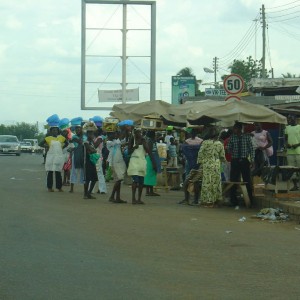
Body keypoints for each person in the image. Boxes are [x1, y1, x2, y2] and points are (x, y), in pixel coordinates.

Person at [227, 122, 255, 208]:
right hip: (235, 160)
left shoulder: (247, 137)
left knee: (247, 180)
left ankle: (249, 200)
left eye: (235, 128)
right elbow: (229, 149)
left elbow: (251, 149)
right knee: (233, 180)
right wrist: (228, 148)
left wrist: (252, 160)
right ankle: (233, 200)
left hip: (244, 160)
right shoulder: (232, 137)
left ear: (239, 129)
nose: (234, 130)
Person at [197, 126, 226, 207]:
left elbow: (200, 154)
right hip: (216, 164)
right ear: (217, 135)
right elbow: (222, 156)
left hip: (207, 164)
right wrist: (223, 161)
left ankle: (207, 201)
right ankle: (216, 200)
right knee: (216, 182)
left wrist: (200, 163)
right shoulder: (219, 144)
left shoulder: (205, 143)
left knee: (207, 182)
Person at [39, 114, 66, 192]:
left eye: (56, 130)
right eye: (53, 130)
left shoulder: (61, 138)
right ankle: (49, 187)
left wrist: (62, 147)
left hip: (59, 156)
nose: (55, 131)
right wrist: (46, 146)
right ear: (50, 131)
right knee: (50, 171)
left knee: (58, 171)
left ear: (58, 131)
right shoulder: (48, 138)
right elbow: (40, 144)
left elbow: (67, 143)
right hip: (50, 156)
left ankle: (59, 187)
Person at [127, 128, 149, 204]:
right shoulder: (132, 141)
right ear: (135, 134)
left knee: (141, 182)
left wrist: (144, 143)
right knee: (135, 181)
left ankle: (139, 199)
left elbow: (148, 150)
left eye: (140, 132)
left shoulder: (143, 140)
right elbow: (128, 152)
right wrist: (134, 147)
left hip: (142, 162)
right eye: (137, 133)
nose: (139, 134)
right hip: (134, 161)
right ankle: (133, 198)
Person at [107, 131, 127, 204]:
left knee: (119, 180)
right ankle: (112, 196)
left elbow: (121, 142)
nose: (114, 135)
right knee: (119, 179)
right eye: (113, 134)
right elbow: (119, 142)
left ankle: (117, 197)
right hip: (114, 162)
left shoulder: (115, 141)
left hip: (118, 160)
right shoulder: (109, 142)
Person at [82, 122, 99, 199]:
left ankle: (88, 193)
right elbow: (92, 150)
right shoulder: (86, 142)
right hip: (87, 162)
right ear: (88, 134)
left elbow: (93, 150)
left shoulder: (91, 142)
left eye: (92, 133)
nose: (92, 135)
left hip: (92, 162)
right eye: (90, 134)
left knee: (94, 179)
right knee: (87, 179)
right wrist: (92, 150)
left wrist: (92, 150)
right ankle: (86, 194)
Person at [69, 117, 86, 193]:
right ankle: (72, 188)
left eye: (79, 129)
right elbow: (79, 143)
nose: (77, 130)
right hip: (76, 155)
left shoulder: (84, 136)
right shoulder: (74, 137)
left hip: (84, 155)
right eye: (76, 129)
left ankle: (85, 188)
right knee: (73, 171)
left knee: (84, 172)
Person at [285, 114, 300, 191]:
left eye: (291, 119)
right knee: (291, 169)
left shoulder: (299, 127)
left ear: (295, 119)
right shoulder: (287, 128)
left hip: (298, 152)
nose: (289, 120)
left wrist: (297, 145)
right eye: (288, 119)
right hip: (290, 152)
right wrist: (286, 144)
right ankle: (295, 185)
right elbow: (285, 139)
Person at [144, 130, 160, 196]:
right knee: (150, 175)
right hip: (151, 159)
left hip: (152, 158)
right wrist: (153, 162)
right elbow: (149, 152)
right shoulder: (150, 141)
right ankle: (149, 191)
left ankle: (150, 191)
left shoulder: (152, 141)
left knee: (150, 175)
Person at [93, 127, 107, 194]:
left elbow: (95, 146)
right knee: (97, 173)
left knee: (99, 173)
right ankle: (100, 189)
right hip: (96, 156)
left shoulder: (99, 138)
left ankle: (102, 189)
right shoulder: (96, 138)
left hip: (97, 156)